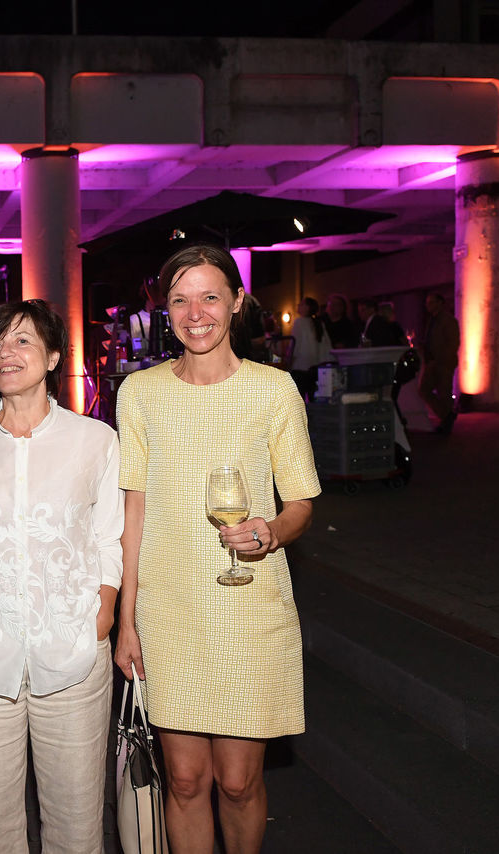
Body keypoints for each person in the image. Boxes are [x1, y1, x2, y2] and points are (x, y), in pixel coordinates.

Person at [114, 243, 319, 854]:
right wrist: (126, 621)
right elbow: (134, 508)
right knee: (183, 778)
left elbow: (302, 502)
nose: (195, 312)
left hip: (250, 606)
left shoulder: (274, 390)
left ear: (236, 302)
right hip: (170, 604)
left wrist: (272, 532)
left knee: (236, 782)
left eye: (209, 296)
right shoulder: (141, 393)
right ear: (164, 312)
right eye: (179, 299)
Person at [0, 300, 122, 854]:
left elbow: (108, 536)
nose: (6, 352)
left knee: (76, 819)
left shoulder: (94, 440)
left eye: (22, 341)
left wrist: (103, 615)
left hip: (71, 648)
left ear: (51, 357)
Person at [418, 292, 460, 434]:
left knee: (443, 392)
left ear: (440, 303)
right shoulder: (433, 320)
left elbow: (453, 343)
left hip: (442, 363)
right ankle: (446, 416)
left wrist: (440, 360)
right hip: (433, 362)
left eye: (431, 302)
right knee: (425, 390)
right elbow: (433, 341)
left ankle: (446, 420)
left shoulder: (447, 320)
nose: (428, 306)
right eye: (427, 303)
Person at [289, 296, 330, 400]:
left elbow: (295, 344)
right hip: (315, 366)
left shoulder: (299, 322)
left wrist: (290, 358)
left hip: (301, 365)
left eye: (301, 304)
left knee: (300, 397)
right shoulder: (318, 323)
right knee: (312, 396)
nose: (298, 306)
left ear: (307, 307)